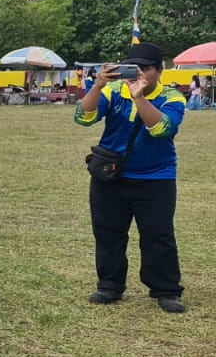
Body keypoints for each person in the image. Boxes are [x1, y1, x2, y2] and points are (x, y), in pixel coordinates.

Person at [75, 43, 185, 312]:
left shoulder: (173, 98)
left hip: (156, 177)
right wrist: (98, 86)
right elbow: (83, 117)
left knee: (158, 234)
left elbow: (161, 129)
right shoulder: (113, 92)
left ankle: (166, 289)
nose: (138, 74)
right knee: (108, 232)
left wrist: (139, 97)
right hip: (110, 176)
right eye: (132, 69)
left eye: (145, 69)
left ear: (160, 71)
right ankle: (109, 285)